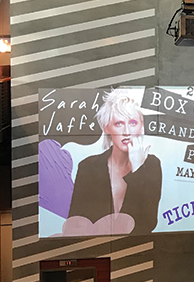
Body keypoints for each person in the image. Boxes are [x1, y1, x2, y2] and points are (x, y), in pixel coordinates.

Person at [69, 90, 162, 235]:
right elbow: (75, 223)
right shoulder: (88, 167)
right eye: (119, 123)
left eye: (132, 123)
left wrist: (137, 170)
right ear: (107, 128)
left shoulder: (151, 165)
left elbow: (148, 223)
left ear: (141, 126)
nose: (126, 131)